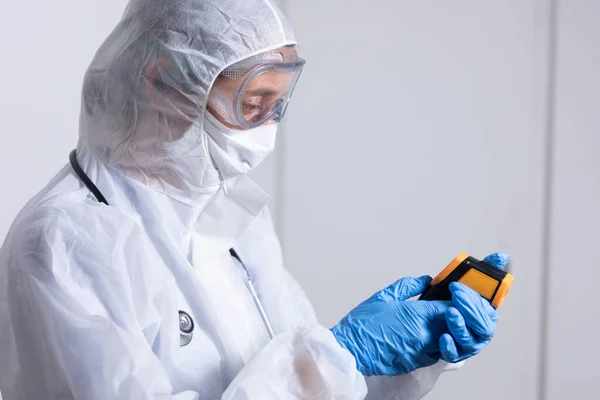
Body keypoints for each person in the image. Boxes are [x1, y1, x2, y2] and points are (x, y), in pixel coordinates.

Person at [0, 0, 509, 399]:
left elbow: (310, 385)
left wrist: (400, 360)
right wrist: (344, 353)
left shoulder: (232, 223)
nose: (265, 131)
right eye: (250, 104)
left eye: (276, 106)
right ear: (161, 81)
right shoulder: (68, 241)